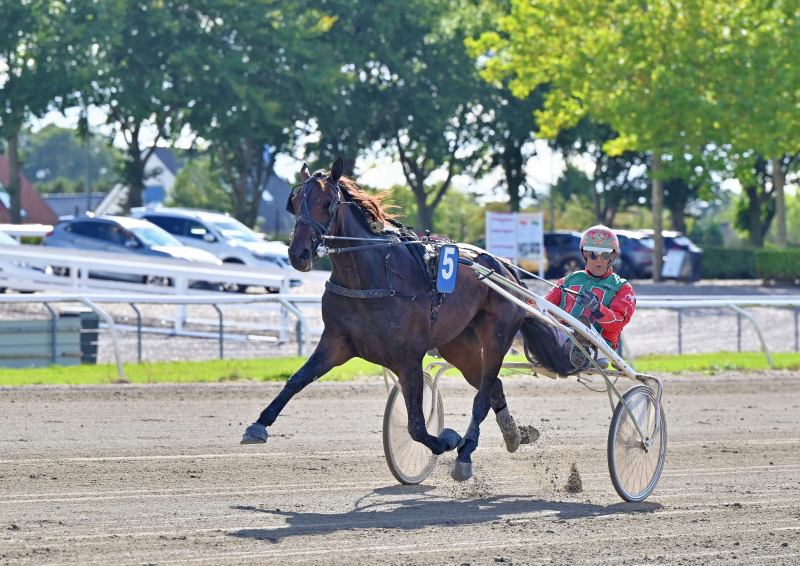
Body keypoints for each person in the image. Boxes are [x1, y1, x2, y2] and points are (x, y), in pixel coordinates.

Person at [541, 225, 636, 371]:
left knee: (582, 325)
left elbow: (617, 322)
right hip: (564, 337)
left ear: (612, 256)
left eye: (604, 255)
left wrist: (597, 309)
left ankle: (586, 352)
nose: (598, 260)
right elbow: (544, 307)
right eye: (593, 254)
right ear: (585, 255)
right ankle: (573, 349)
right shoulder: (569, 280)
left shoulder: (623, 288)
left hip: (600, 346)